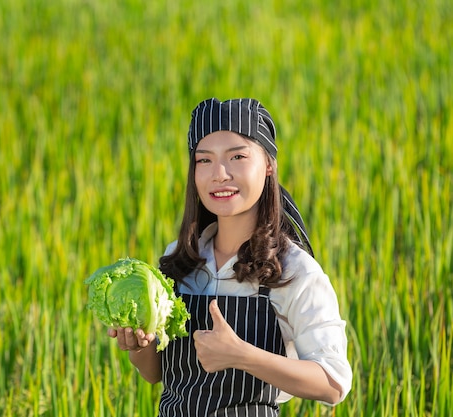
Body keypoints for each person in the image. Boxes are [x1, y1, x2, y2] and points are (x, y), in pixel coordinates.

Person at [107, 97, 352, 415]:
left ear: (268, 165)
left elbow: (333, 383)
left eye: (237, 156)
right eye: (204, 160)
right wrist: (139, 346)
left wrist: (241, 355)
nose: (219, 174)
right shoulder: (179, 260)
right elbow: (156, 373)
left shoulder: (294, 271)